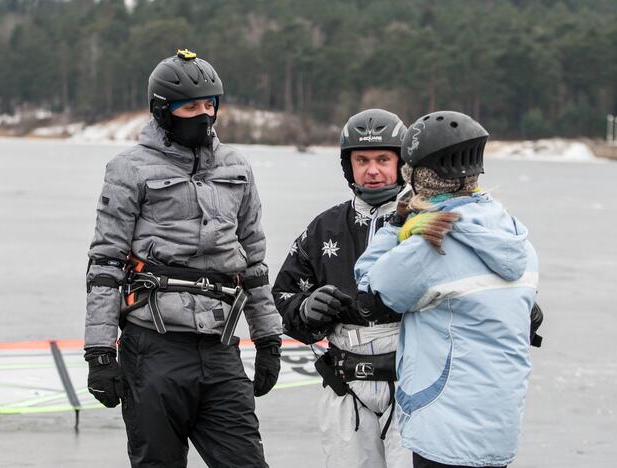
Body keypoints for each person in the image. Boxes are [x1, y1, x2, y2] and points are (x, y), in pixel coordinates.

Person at [82, 49, 283, 468]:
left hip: (221, 347)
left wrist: (268, 339)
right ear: (162, 111)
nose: (203, 114)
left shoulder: (238, 168)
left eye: (209, 105)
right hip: (153, 349)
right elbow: (104, 265)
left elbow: (255, 264)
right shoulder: (128, 169)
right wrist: (99, 352)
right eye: (190, 106)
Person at [354, 111, 540, 468]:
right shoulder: (516, 237)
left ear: (418, 176)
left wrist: (397, 223)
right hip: (499, 424)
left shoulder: (430, 245)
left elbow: (370, 285)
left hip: (445, 425)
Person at [273, 109, 412, 468]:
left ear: (402, 162)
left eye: (383, 159)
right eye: (362, 160)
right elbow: (283, 294)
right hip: (345, 385)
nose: (373, 170)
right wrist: (305, 308)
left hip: (413, 384)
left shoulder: (426, 223)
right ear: (347, 166)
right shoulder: (324, 228)